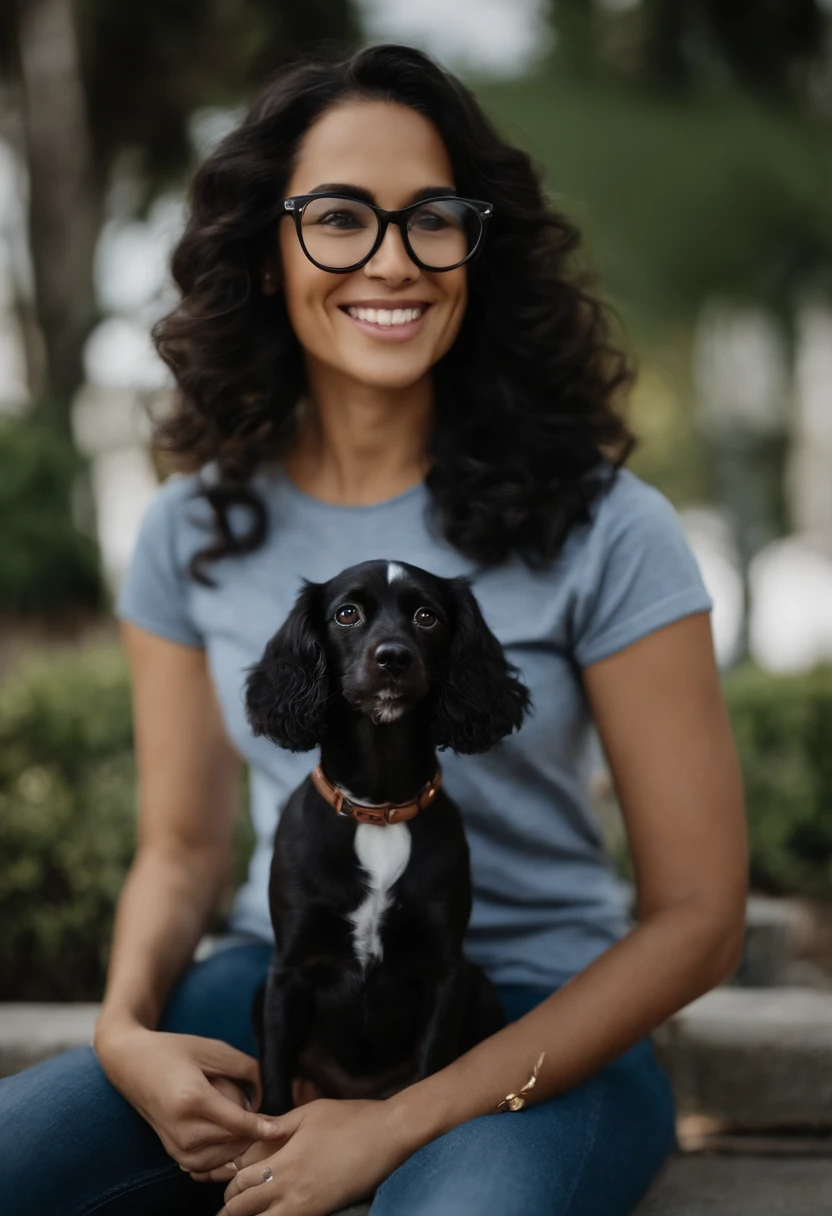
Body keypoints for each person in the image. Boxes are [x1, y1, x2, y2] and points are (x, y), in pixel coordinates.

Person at [1, 43, 747, 1216]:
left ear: (475, 247)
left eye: (431, 218)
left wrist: (397, 1123)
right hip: (270, 984)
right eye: (339, 219)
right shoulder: (191, 527)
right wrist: (124, 1033)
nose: (392, 260)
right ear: (265, 258)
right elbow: (186, 849)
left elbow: (700, 919)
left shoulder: (606, 524)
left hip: (538, 1019)